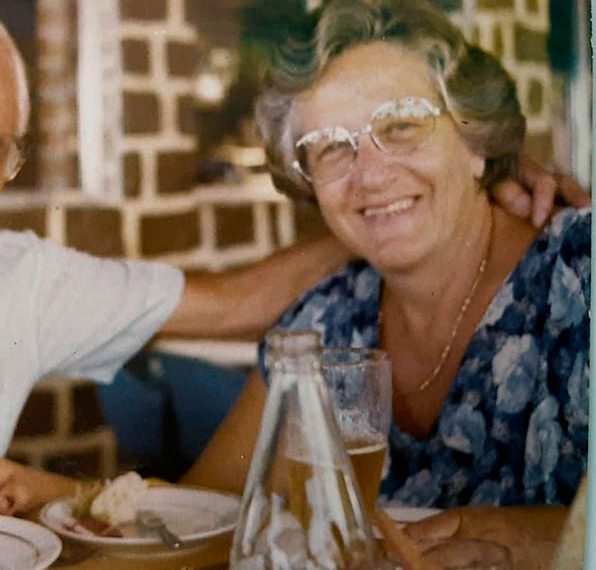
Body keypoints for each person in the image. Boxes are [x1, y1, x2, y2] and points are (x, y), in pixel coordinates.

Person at [0, 0, 584, 564]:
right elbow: (226, 511)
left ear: (476, 137)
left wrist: (432, 207)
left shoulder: (16, 279)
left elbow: (230, 311)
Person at [178, 0, 589, 511]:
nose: (371, 175)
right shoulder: (325, 322)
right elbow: (195, 519)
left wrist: (539, 541)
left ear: (475, 142)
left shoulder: (581, 280)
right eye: (331, 147)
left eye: (401, 126)